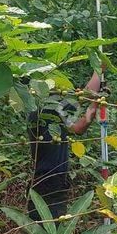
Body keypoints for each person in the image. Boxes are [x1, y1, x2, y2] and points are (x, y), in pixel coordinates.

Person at [27, 70, 101, 221]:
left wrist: (96, 102)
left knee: (50, 228)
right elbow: (85, 94)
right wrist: (99, 71)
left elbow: (79, 127)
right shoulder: (46, 111)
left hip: (54, 181)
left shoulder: (53, 115)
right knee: (50, 230)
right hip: (48, 181)